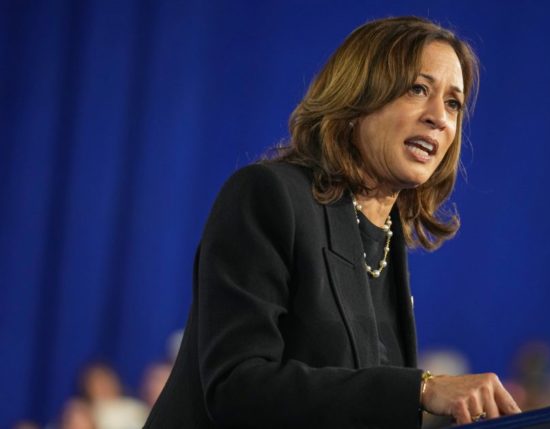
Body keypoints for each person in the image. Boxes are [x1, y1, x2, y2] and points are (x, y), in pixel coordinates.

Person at [144, 16, 520, 428]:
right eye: (418, 89)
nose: (440, 118)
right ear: (357, 97)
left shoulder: (386, 232)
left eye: (453, 103)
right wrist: (423, 389)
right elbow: (237, 387)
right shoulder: (267, 195)